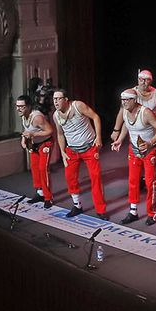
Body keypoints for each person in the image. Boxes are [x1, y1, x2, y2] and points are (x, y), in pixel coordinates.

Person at [111, 89, 156, 226]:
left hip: (149, 151)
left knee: (150, 183)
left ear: (134, 100)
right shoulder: (125, 111)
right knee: (133, 181)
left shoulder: (146, 112)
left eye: (126, 100)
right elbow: (126, 125)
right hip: (134, 150)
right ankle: (133, 211)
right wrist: (120, 140)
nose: (124, 103)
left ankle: (152, 213)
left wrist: (150, 143)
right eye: (122, 100)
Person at [51, 88, 107, 219]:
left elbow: (95, 117)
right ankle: (77, 205)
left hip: (89, 147)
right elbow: (60, 134)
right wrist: (62, 152)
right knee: (70, 177)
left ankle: (101, 209)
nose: (56, 102)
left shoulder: (78, 106)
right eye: (54, 99)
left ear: (66, 100)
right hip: (72, 150)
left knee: (96, 177)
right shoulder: (56, 115)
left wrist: (98, 137)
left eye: (58, 98)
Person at [127, 70, 156, 191]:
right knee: (137, 156)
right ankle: (140, 180)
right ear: (138, 80)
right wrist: (116, 130)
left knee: (154, 157)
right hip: (137, 128)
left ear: (151, 81)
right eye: (141, 79)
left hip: (152, 130)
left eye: (147, 80)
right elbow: (123, 112)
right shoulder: (131, 93)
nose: (143, 82)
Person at [14, 94, 55, 207]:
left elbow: (50, 131)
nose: (18, 109)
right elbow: (27, 129)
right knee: (35, 167)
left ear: (28, 107)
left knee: (43, 169)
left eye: (21, 106)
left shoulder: (37, 117)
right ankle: (40, 193)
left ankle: (48, 197)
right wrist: (24, 139)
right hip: (34, 144)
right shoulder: (23, 115)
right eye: (17, 106)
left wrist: (33, 134)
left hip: (45, 143)